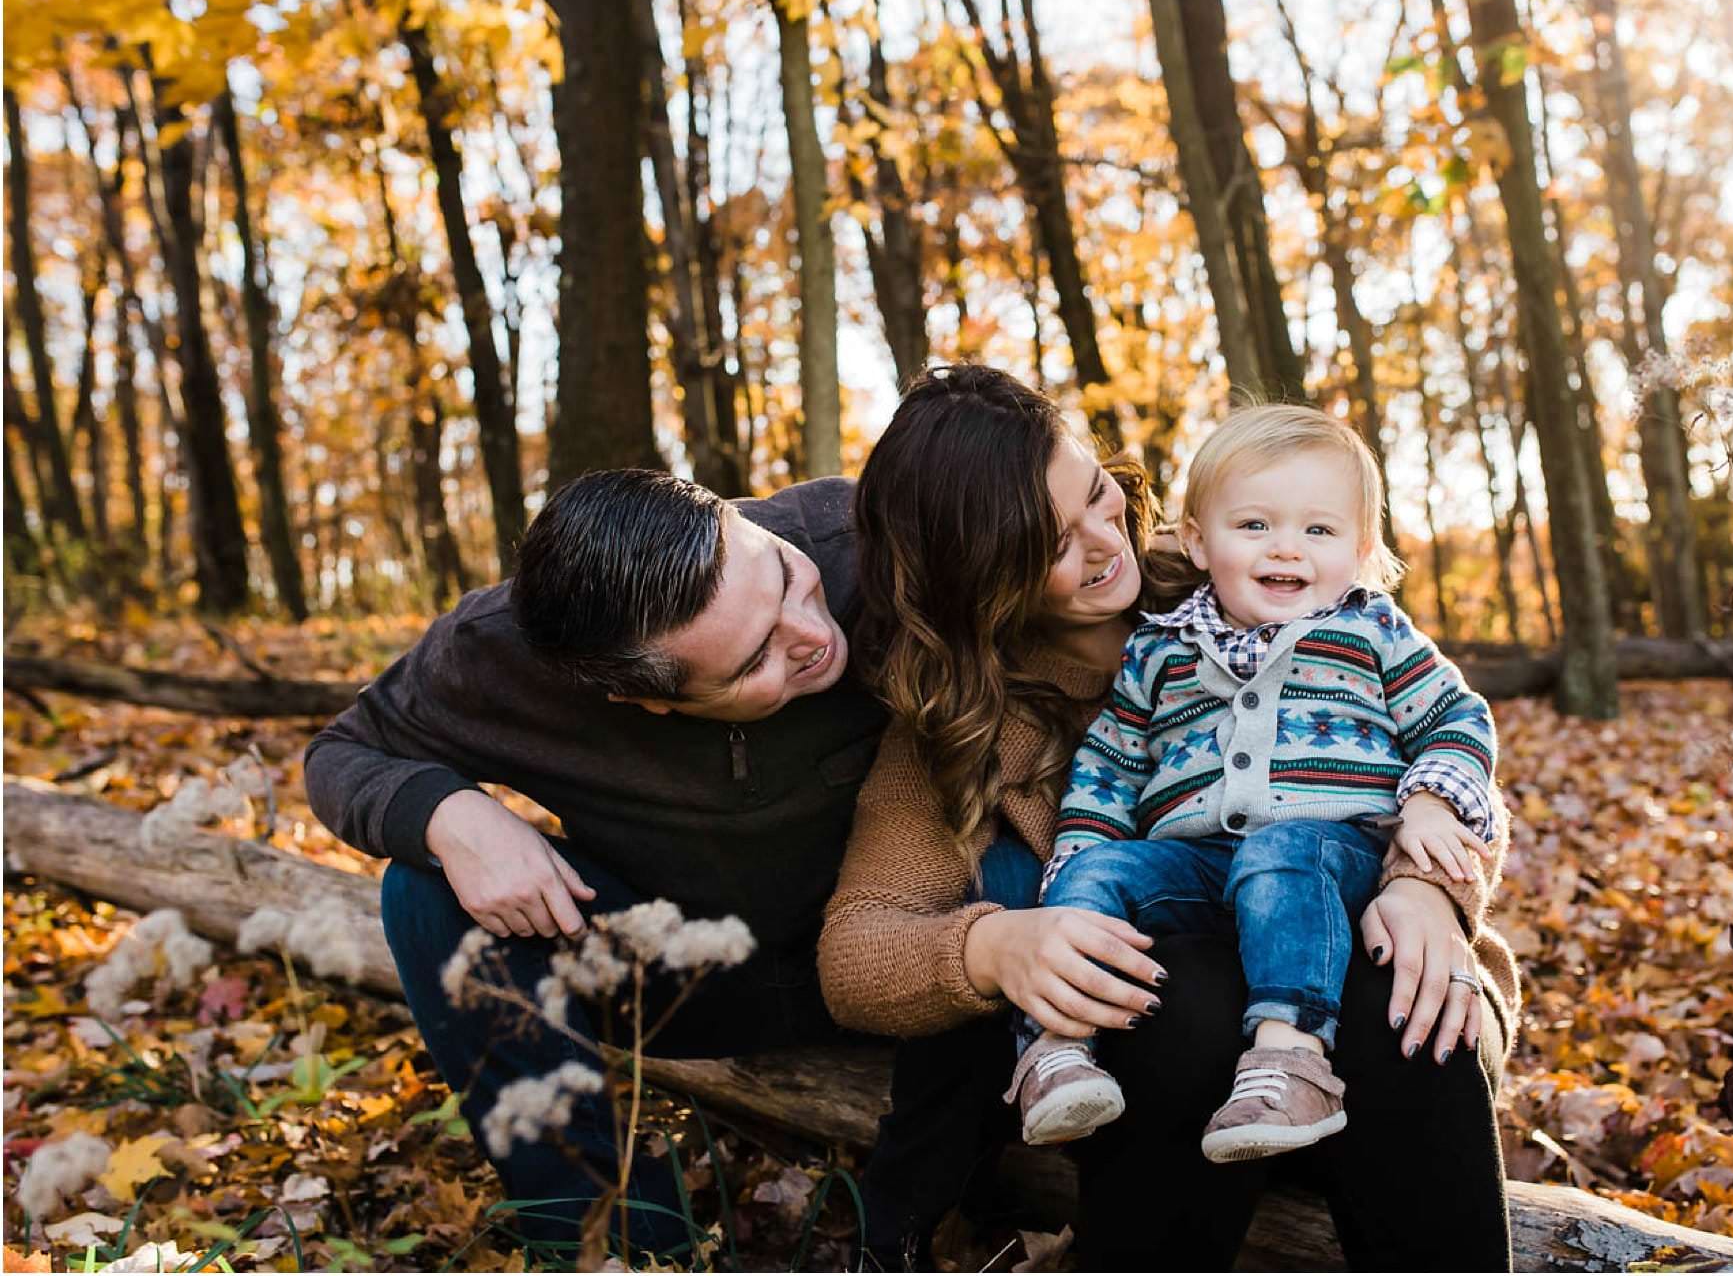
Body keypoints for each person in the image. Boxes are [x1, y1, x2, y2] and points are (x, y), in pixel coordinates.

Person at [820, 365, 1521, 1269]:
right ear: (980, 572)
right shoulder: (959, 725)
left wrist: (1428, 886)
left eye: (1095, 493)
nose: (1106, 538)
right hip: (1167, 1065)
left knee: (1405, 998)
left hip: (1358, 1006)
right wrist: (993, 947)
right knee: (1173, 991)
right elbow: (855, 950)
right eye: (1052, 541)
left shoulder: (1258, 554)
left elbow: (1433, 737)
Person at [304, 468, 960, 1264]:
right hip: (688, 970)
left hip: (913, 959)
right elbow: (342, 750)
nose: (811, 634)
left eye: (783, 574)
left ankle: (916, 1230)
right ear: (643, 698)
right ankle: (624, 1246)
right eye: (756, 658)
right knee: (424, 893)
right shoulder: (493, 654)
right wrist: (448, 813)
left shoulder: (877, 532)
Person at [1012, 404, 1499, 1164]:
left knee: (1282, 854)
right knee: (1095, 870)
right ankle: (1057, 1049)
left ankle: (1291, 1056)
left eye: (1319, 530)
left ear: (1362, 548)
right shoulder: (1160, 649)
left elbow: (1454, 717)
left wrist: (1432, 802)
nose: (1286, 548)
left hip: (1331, 856)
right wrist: (1080, 856)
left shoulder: (1373, 629)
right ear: (1201, 542)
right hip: (1199, 866)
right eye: (1255, 526)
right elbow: (1109, 766)